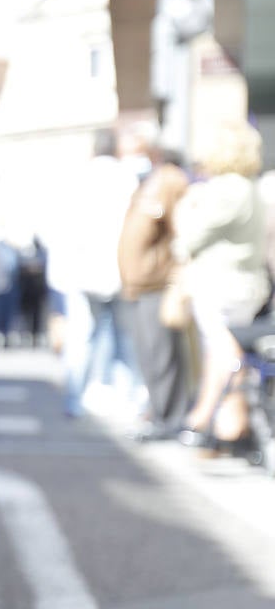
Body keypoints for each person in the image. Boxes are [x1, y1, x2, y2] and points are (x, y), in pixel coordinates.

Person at [174, 121, 269, 454]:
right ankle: (225, 423)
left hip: (222, 283)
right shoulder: (251, 187)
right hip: (246, 282)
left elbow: (189, 238)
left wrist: (186, 207)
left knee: (222, 352)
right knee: (229, 352)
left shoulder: (225, 189)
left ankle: (207, 419)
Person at [52, 129, 142, 418]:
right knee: (123, 338)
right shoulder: (128, 179)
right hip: (120, 271)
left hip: (84, 271)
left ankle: (73, 400)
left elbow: (64, 230)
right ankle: (126, 400)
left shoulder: (79, 178)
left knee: (82, 338)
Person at [117, 140, 191, 441]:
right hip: (140, 285)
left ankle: (168, 417)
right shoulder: (151, 182)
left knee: (162, 355)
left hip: (157, 283)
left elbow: (182, 228)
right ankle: (160, 412)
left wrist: (176, 273)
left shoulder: (170, 180)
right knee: (150, 354)